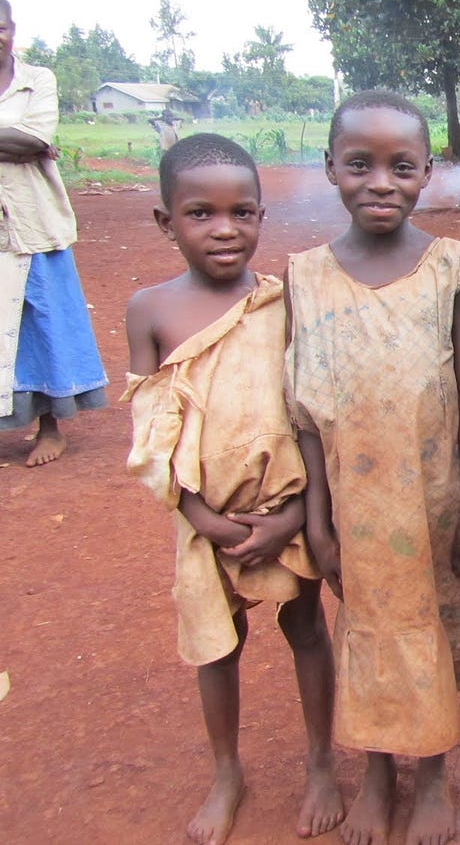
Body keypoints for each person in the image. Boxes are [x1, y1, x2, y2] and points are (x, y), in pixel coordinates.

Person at [286, 89, 460, 845]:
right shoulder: (304, 276)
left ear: (427, 173)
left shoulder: (455, 268)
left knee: (433, 627)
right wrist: (316, 519)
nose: (381, 182)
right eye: (360, 165)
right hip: (355, 503)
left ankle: (433, 773)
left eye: (401, 166)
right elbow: (305, 413)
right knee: (370, 628)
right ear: (331, 169)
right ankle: (378, 774)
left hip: (436, 500)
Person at [123, 134, 343, 845]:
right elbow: (152, 428)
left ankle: (318, 763)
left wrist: (292, 518)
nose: (225, 230)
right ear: (166, 222)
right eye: (201, 214)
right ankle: (227, 772)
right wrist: (201, 517)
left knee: (306, 627)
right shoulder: (150, 310)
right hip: (203, 519)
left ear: (260, 215)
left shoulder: (282, 302)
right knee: (217, 645)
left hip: (285, 513)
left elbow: (306, 413)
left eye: (242, 213)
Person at [0, 0, 107, 466]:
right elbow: (18, 143)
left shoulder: (37, 80)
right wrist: (15, 141)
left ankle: (51, 428)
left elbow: (35, 141)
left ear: (12, 29)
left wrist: (30, 146)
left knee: (42, 320)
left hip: (32, 220)